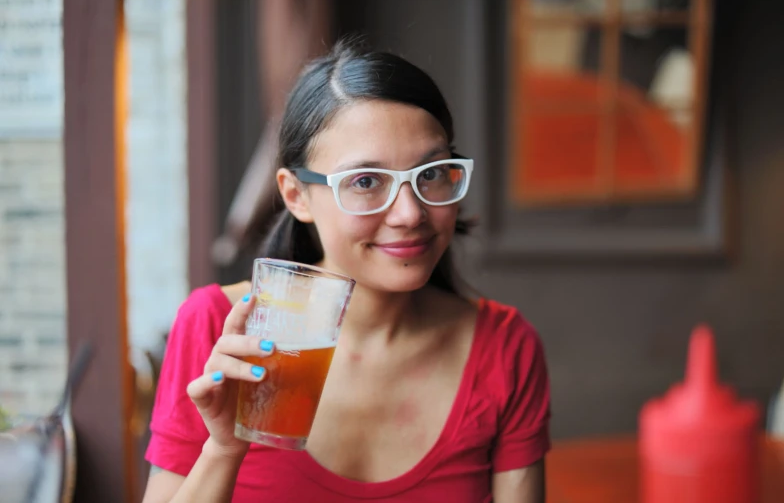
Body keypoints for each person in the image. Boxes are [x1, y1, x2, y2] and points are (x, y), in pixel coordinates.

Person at [141, 39, 551, 503]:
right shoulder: (217, 328)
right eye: (365, 182)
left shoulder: (504, 347)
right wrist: (223, 449)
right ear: (296, 195)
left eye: (431, 173)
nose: (410, 214)